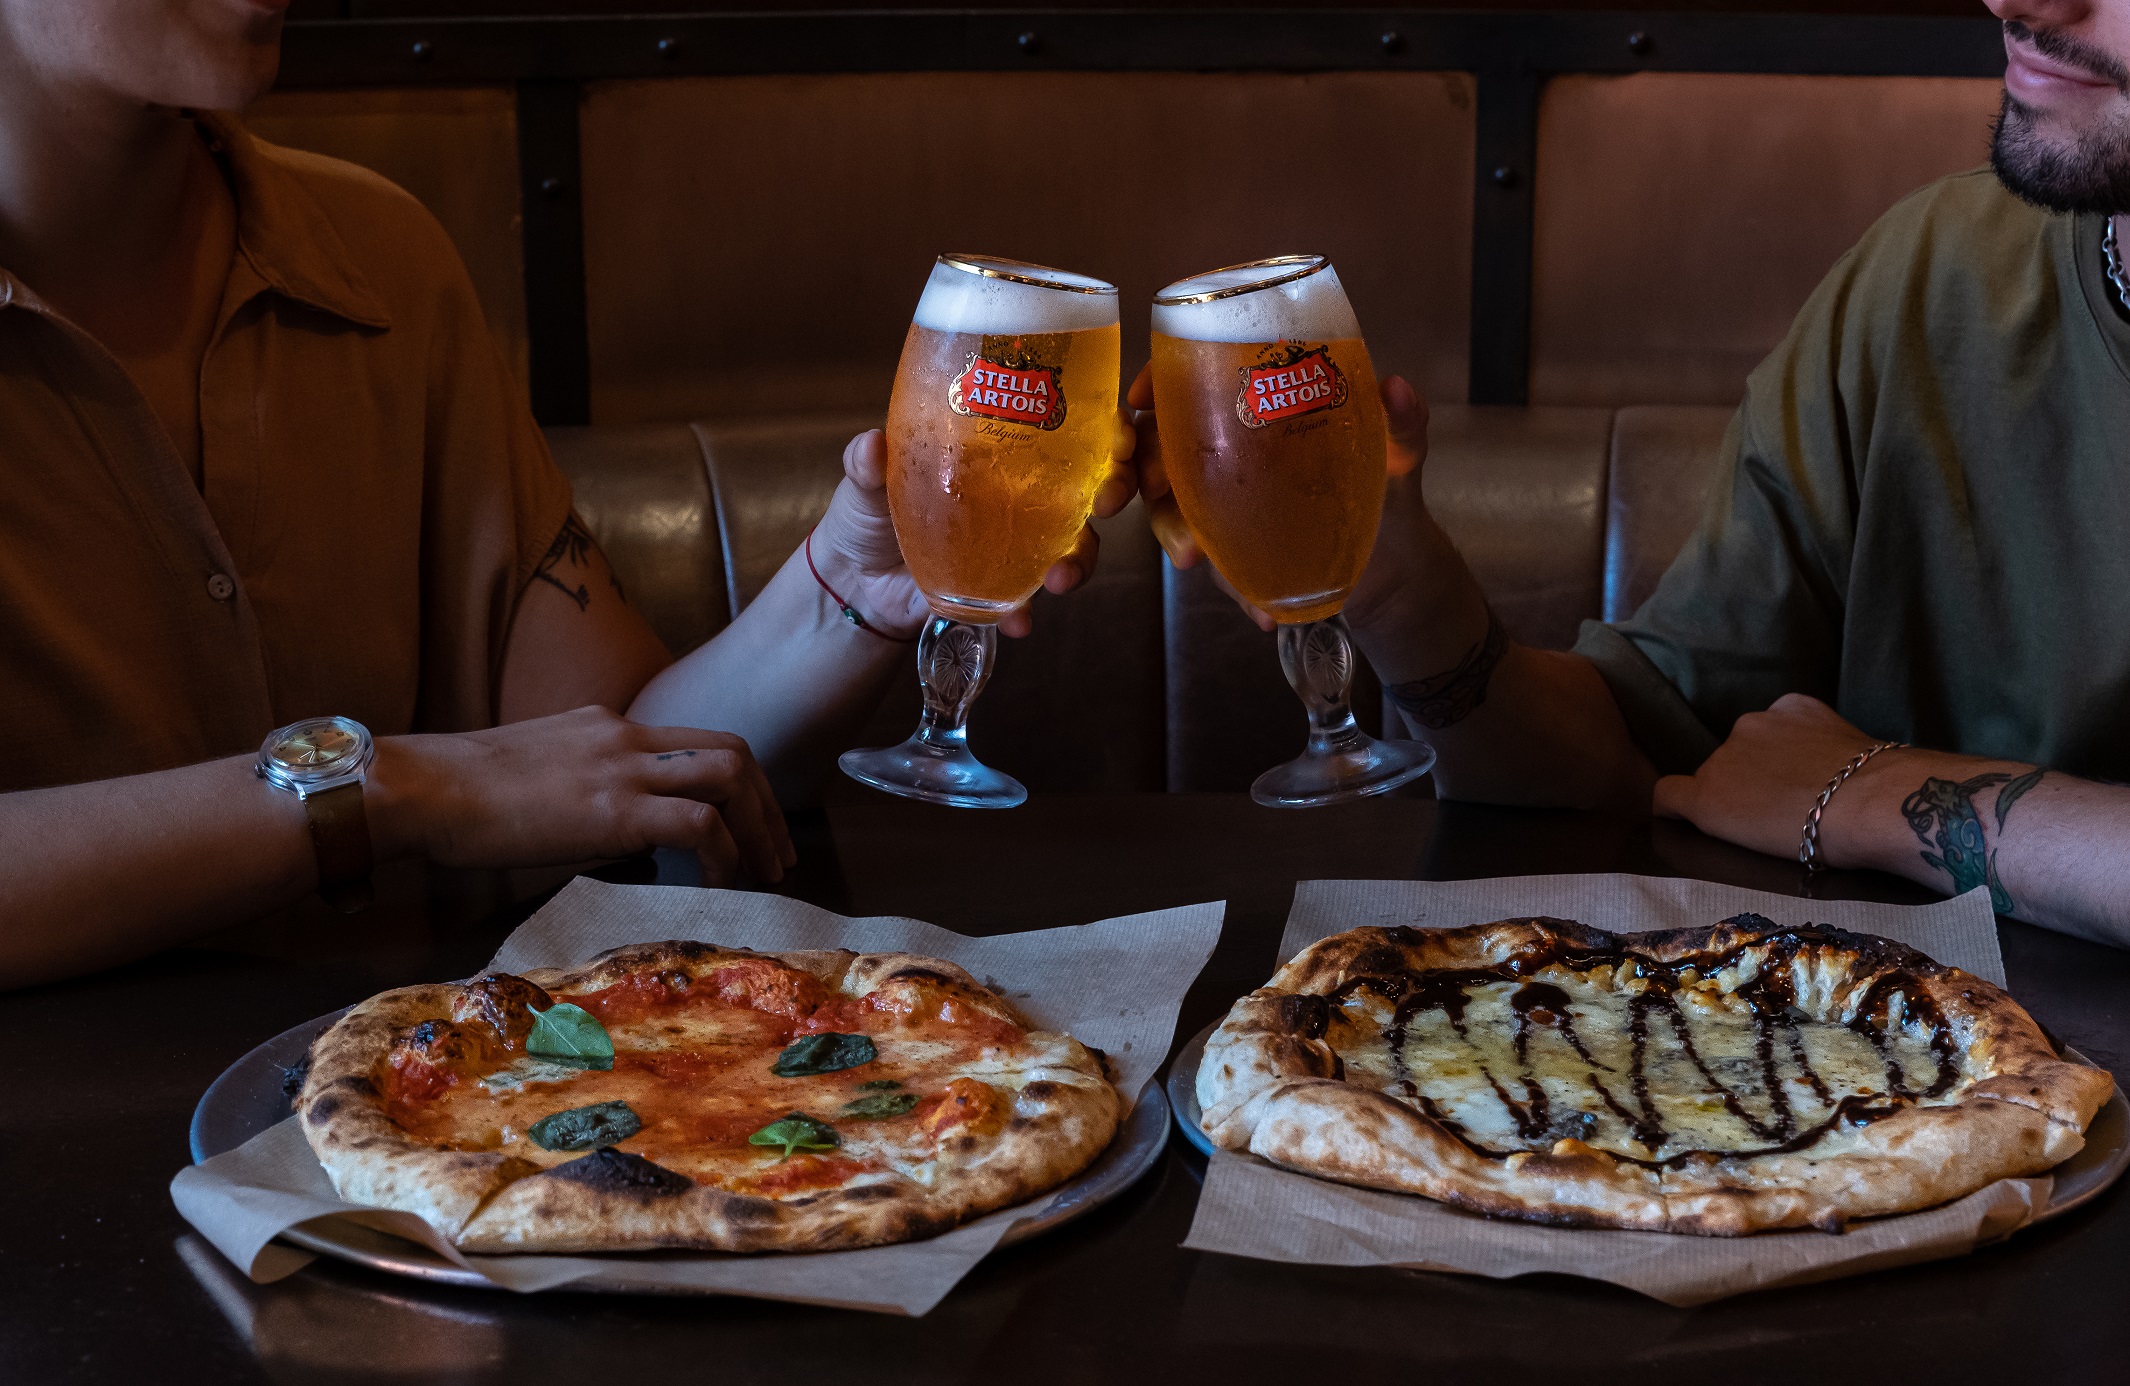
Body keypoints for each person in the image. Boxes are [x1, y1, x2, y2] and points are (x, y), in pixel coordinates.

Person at [0, 0, 1133, 988]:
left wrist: (847, 587)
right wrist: (390, 791)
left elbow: (635, 757)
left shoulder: (380, 252)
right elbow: (471, 788)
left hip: (460, 1136)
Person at [1141, 0, 2130, 949]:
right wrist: (1400, 593)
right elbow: (1641, 767)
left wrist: (1871, 794)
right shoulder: (1938, 271)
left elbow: (1797, 784)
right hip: (1909, 1092)